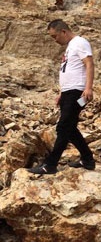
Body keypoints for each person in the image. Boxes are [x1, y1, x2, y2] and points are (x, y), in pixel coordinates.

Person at [28, 20, 96, 174]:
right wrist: (61, 93)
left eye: (55, 36)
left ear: (64, 32)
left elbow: (89, 64)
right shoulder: (70, 47)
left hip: (77, 92)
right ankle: (88, 159)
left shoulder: (79, 42)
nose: (55, 40)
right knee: (69, 128)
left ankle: (50, 164)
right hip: (68, 92)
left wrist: (88, 88)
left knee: (63, 127)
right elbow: (69, 70)